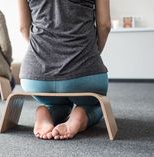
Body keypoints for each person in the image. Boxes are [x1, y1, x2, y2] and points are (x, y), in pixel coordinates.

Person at [18, 0, 111, 140]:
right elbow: (104, 25)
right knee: (98, 104)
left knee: (56, 103)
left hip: (36, 78)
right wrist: (94, 53)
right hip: (85, 74)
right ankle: (80, 115)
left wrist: (40, 54)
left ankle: (47, 112)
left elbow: (23, 28)